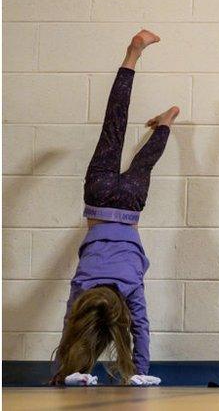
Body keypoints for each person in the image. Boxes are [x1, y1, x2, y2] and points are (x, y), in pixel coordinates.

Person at [51, 30, 179, 386]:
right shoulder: (82, 285)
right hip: (99, 194)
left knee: (144, 163)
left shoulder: (131, 286)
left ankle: (166, 124)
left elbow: (142, 328)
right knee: (115, 122)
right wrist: (64, 372)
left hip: (129, 209)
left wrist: (140, 371)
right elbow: (68, 325)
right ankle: (133, 53)